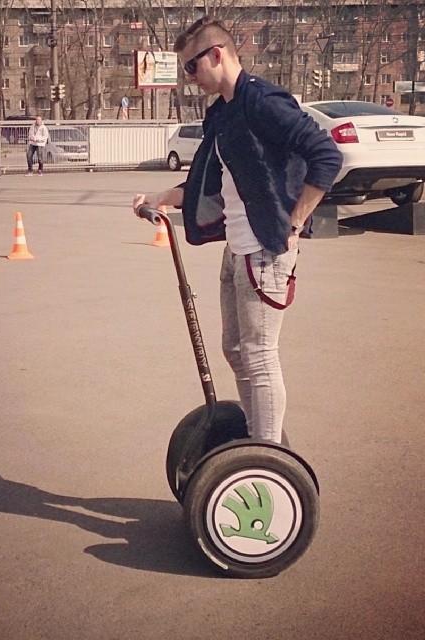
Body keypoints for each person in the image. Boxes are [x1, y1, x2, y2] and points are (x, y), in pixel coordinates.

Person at [132, 17, 342, 444]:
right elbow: (207, 181)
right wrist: (159, 198)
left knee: (260, 356)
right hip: (238, 249)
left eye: (192, 67)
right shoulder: (223, 113)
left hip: (266, 249)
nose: (190, 78)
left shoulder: (261, 101)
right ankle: (257, 439)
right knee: (236, 351)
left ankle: (266, 457)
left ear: (216, 55)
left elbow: (326, 155)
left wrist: (295, 221)